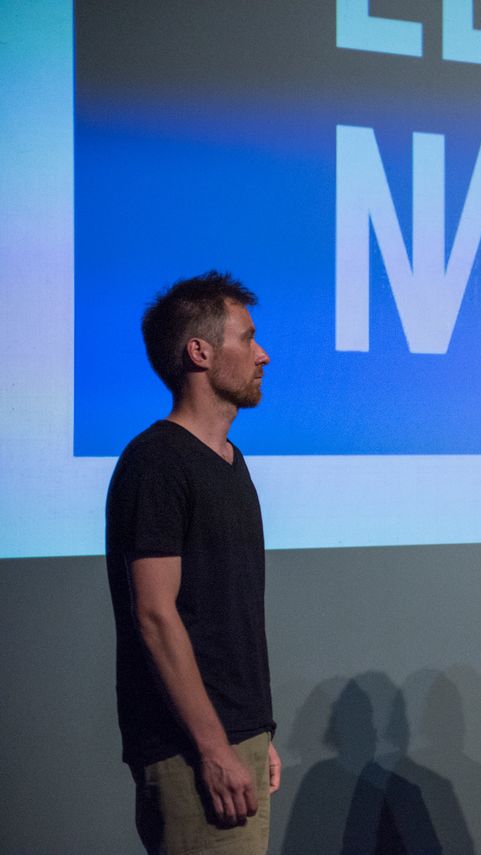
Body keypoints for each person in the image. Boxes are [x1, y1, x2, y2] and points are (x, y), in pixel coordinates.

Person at [105, 271, 280, 855]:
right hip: (191, 753)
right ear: (200, 352)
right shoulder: (156, 464)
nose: (264, 355)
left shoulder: (230, 461)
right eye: (248, 339)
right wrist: (214, 748)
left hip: (237, 741)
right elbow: (155, 616)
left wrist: (255, 733)